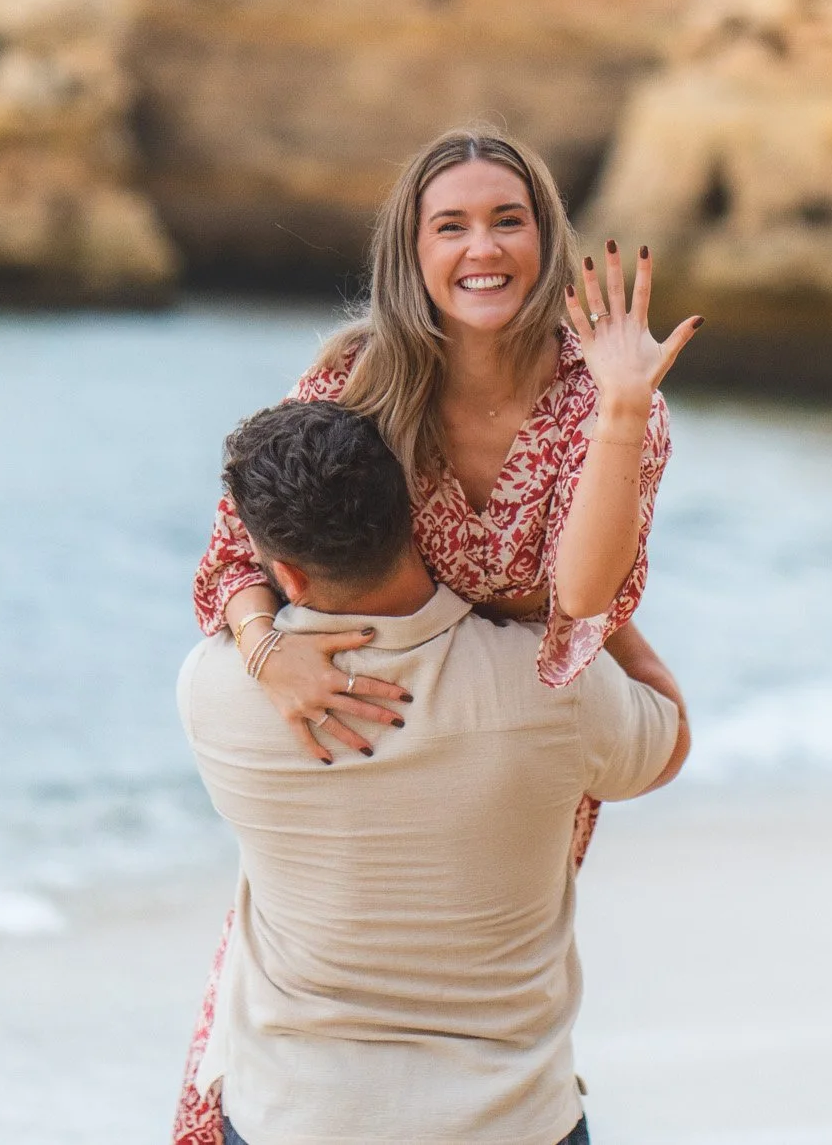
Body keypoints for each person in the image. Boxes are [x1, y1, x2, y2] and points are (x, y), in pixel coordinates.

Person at [174, 127, 700, 1145]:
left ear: (545, 236)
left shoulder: (599, 393)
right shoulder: (353, 379)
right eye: (449, 225)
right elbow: (242, 544)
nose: (482, 248)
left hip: (515, 726)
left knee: (482, 992)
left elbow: (582, 598)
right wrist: (264, 650)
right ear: (409, 253)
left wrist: (626, 404)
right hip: (370, 724)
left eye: (508, 220)